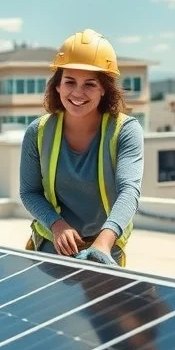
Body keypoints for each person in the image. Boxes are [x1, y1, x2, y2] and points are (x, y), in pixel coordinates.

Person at [19, 28, 144, 267]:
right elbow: (29, 192)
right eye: (69, 82)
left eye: (90, 84)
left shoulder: (125, 131)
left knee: (107, 305)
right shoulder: (38, 131)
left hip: (105, 246)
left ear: (104, 88)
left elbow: (129, 191)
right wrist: (57, 226)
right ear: (57, 86)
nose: (77, 92)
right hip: (52, 245)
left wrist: (104, 244)